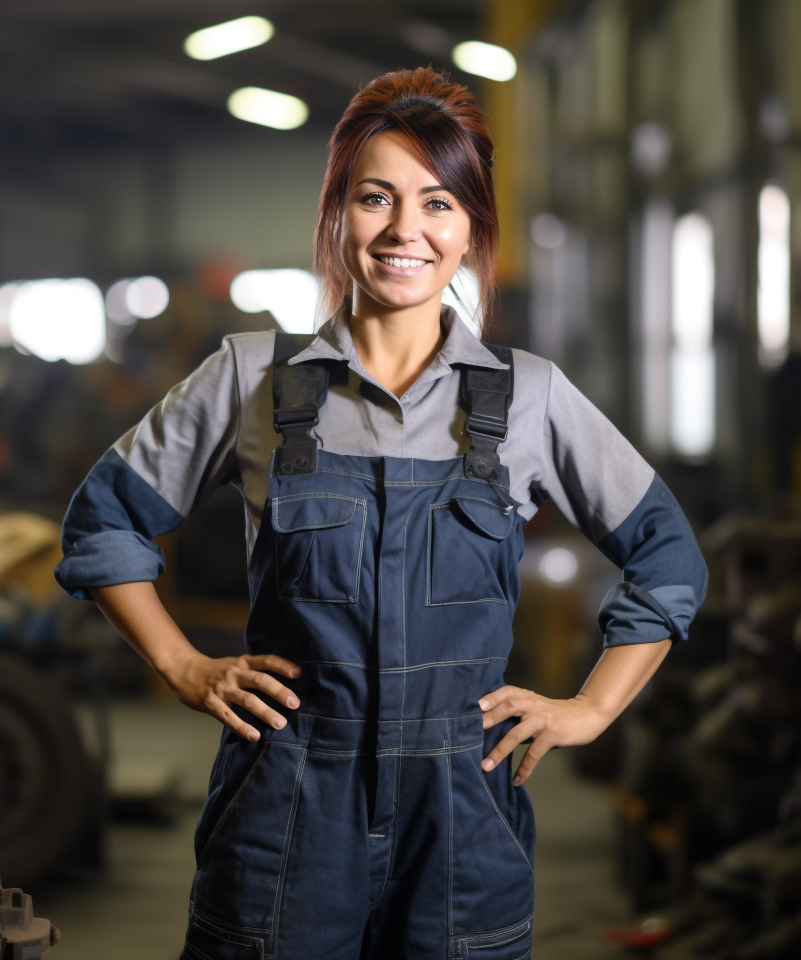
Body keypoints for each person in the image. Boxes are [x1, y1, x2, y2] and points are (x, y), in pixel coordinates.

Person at [55, 67, 707, 960]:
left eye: (439, 203)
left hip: (463, 815)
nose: (407, 230)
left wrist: (590, 708)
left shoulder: (530, 399)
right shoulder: (251, 378)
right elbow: (102, 523)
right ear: (336, 216)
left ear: (471, 227)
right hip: (286, 805)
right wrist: (184, 666)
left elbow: (668, 555)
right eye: (376, 198)